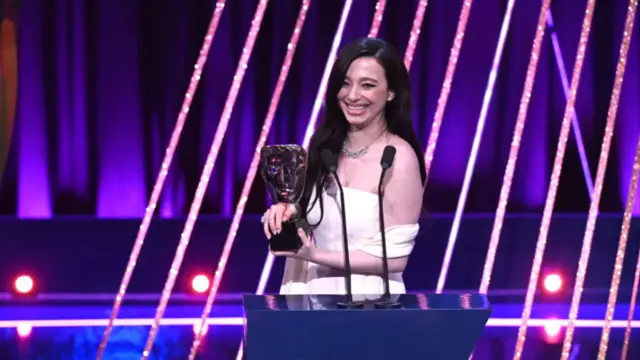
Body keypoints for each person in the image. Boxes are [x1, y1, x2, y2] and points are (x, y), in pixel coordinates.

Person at [262, 37, 426, 298]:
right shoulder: (324, 146)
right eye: (345, 84)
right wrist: (287, 212)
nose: (352, 96)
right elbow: (312, 214)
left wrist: (318, 256)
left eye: (368, 85)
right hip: (310, 299)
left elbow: (396, 258)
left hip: (369, 306)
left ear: (391, 92)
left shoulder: (399, 158)